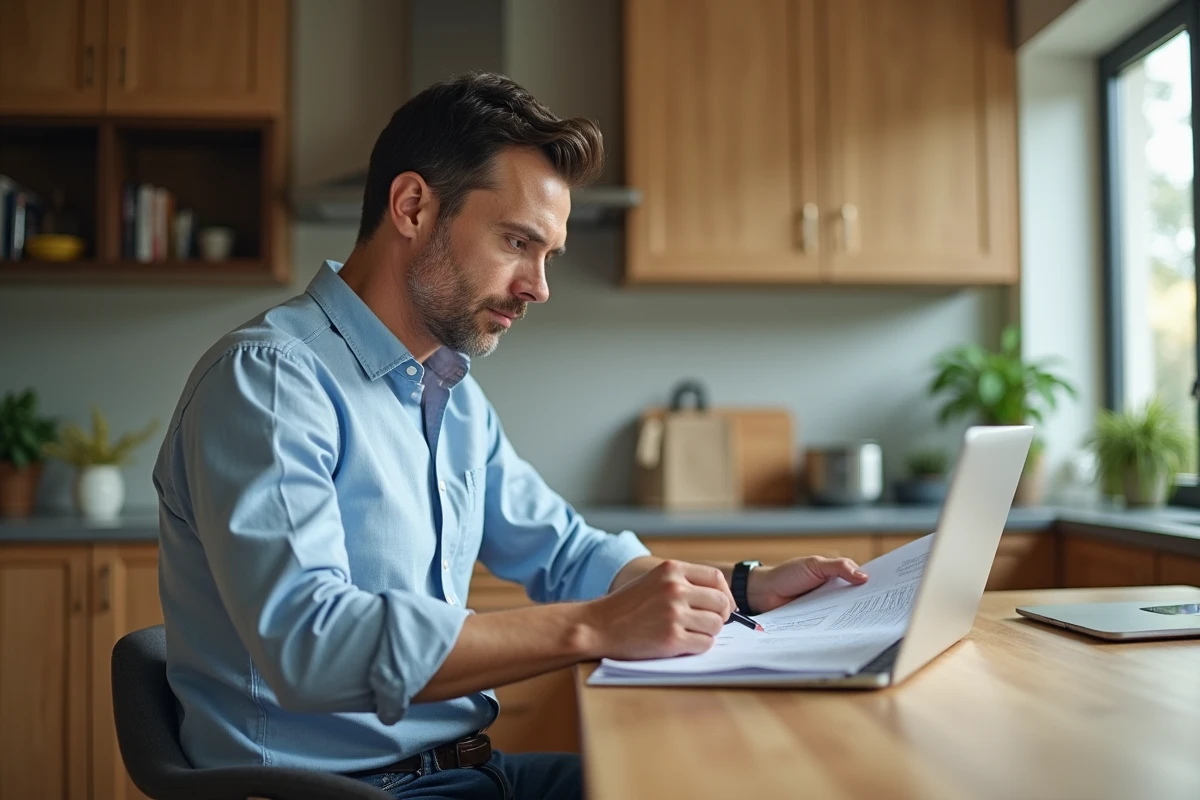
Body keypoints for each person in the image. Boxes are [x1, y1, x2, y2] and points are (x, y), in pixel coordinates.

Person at [152, 72, 869, 800]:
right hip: (340, 792)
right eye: (518, 242)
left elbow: (562, 551)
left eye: (548, 254)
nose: (540, 286)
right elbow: (311, 647)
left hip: (460, 775)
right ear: (412, 207)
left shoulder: (448, 391)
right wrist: (593, 628)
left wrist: (737, 590)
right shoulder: (271, 381)